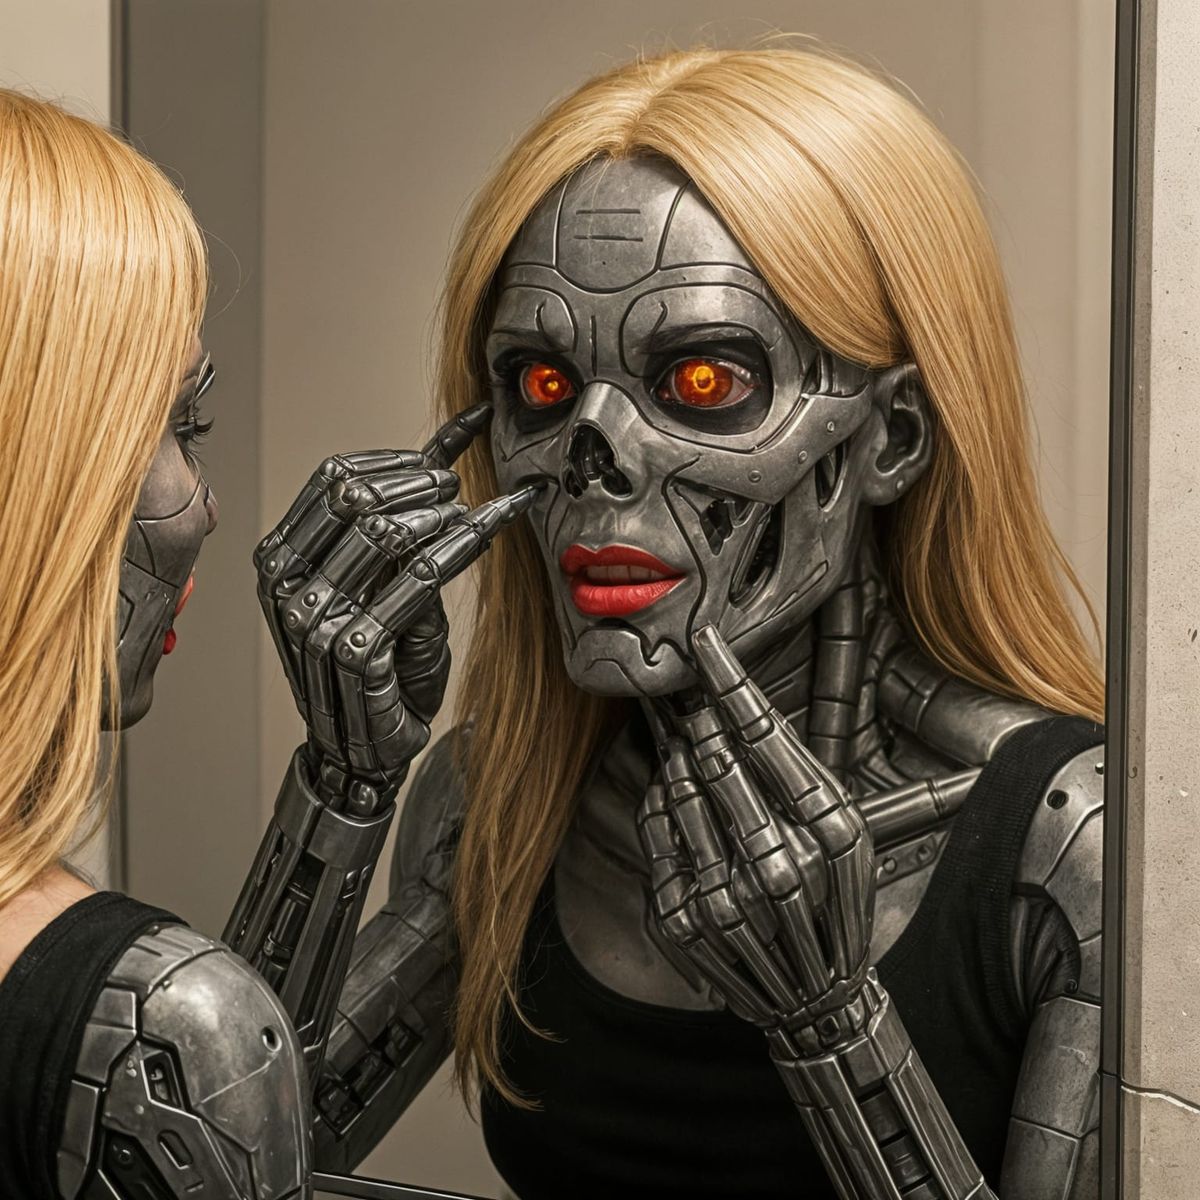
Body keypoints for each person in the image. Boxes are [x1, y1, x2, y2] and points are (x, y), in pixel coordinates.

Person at [263, 46, 1105, 1200]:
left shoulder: (1071, 841)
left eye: (703, 381)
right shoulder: (500, 800)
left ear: (891, 437)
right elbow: (220, 1166)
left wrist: (833, 1026)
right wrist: (342, 786)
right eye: (543, 387)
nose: (591, 461)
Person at [0, 90, 528, 1200]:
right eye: (174, 425)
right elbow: (228, 1112)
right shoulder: (150, 1017)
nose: (205, 506)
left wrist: (349, 780)